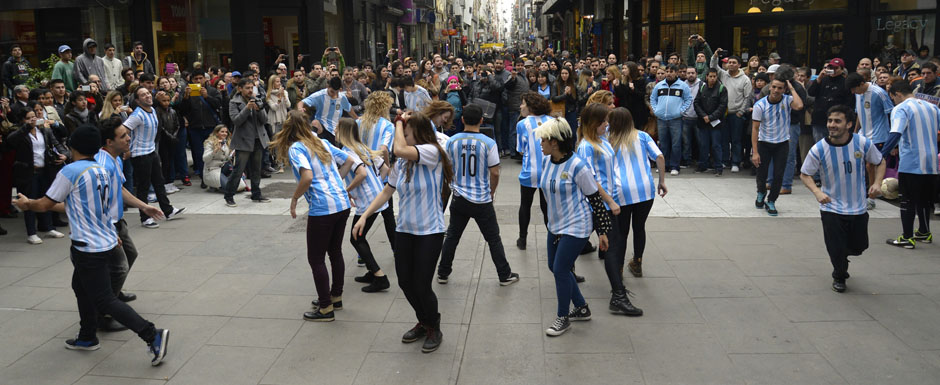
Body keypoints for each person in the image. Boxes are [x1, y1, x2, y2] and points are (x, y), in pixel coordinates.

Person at [11, 124, 168, 366]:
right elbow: (76, 206)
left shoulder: (70, 171)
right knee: (80, 287)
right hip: (104, 241)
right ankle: (87, 336)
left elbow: (44, 204)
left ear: (72, 146)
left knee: (105, 299)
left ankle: (151, 334)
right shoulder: (100, 170)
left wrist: (27, 203)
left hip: (88, 247)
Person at [352, 111, 453, 353]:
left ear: (416, 134)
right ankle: (423, 320)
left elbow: (398, 149)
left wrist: (398, 122)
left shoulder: (432, 153)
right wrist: (364, 216)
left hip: (430, 231)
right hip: (405, 231)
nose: (402, 138)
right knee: (406, 283)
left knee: (421, 284)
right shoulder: (403, 163)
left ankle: (433, 327)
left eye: (406, 134)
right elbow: (387, 191)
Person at [271, 110, 354, 321]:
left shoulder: (297, 148)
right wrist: (336, 183)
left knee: (316, 258)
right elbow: (349, 160)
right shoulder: (320, 142)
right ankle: (336, 296)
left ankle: (325, 308)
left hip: (322, 207)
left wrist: (295, 198)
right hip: (341, 203)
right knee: (335, 251)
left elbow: (306, 177)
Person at [535, 117, 613, 336]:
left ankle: (563, 317)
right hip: (556, 225)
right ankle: (581, 307)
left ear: (556, 142)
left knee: (560, 268)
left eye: (544, 140)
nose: (541, 143)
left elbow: (595, 199)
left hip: (577, 225)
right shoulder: (547, 161)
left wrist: (602, 232)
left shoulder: (578, 166)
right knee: (553, 266)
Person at [800, 105, 884, 293]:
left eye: (837, 121)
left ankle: (843, 255)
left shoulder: (862, 143)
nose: (832, 125)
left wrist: (877, 183)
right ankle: (839, 275)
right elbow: (805, 174)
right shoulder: (819, 148)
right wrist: (817, 192)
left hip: (858, 207)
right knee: (836, 247)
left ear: (849, 124)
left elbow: (879, 161)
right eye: (830, 121)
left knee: (859, 246)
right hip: (832, 208)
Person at [437, 104, 520, 285]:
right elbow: (495, 172)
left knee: (452, 235)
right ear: (482, 120)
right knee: (493, 238)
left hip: (459, 197)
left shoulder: (452, 141)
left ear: (463, 120)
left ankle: (443, 271)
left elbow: (446, 166)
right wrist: (492, 190)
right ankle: (504, 274)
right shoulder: (488, 143)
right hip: (481, 199)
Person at [94, 117, 163, 327]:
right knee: (119, 267)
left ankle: (113, 294)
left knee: (130, 255)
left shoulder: (115, 158)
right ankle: (104, 313)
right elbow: (99, 203)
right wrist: (109, 231)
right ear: (108, 141)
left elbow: (121, 189)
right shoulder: (102, 165)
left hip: (118, 220)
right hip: (108, 224)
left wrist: (144, 206)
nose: (128, 138)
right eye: (123, 136)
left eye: (127, 134)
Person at [334, 118, 391, 293]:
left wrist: (347, 190)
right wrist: (377, 185)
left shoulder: (348, 152)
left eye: (336, 129)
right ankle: (372, 271)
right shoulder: (363, 148)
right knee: (360, 236)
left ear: (342, 132)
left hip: (367, 202)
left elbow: (362, 174)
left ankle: (380, 276)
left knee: (356, 238)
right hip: (377, 197)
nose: (334, 131)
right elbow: (386, 170)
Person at [880, 80, 939, 249]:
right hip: (932, 162)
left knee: (907, 199)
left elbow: (895, 132)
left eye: (893, 98)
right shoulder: (932, 107)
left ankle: (907, 237)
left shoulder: (901, 108)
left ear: (898, 94)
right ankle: (924, 232)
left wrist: (881, 155)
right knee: (924, 199)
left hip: (912, 161)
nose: (893, 102)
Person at [123, 87, 186, 228]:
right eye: (143, 95)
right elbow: (124, 131)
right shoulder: (137, 115)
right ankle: (145, 218)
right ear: (138, 100)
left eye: (148, 93)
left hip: (151, 152)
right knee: (143, 187)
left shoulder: (152, 111)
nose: (147, 96)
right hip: (140, 154)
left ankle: (168, 211)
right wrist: (126, 149)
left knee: (159, 182)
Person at [7, 105, 69, 244]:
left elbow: (56, 144)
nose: (32, 120)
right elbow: (11, 141)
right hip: (28, 172)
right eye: (28, 118)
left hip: (45, 170)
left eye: (33, 117)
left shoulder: (43, 130)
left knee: (46, 199)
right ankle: (31, 232)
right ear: (23, 120)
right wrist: (27, 127)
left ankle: (48, 227)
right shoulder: (20, 132)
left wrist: (64, 155)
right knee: (28, 201)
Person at [751, 78, 804, 216]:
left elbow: (799, 106)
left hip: (782, 143)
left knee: (779, 174)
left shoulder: (787, 100)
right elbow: (755, 129)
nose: (776, 90)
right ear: (770, 87)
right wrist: (755, 152)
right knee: (762, 173)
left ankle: (771, 200)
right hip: (764, 143)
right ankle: (761, 192)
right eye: (774, 87)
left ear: (784, 89)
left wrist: (792, 88)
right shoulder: (760, 105)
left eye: (780, 88)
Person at [357, 91, 398, 251]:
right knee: (387, 212)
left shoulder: (358, 121)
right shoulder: (387, 125)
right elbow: (384, 149)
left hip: (363, 170)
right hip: (379, 172)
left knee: (368, 210)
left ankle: (361, 248)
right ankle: (395, 249)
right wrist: (387, 169)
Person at [847, 72, 894, 210]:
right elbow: (859, 114)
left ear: (862, 84)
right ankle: (864, 192)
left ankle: (872, 197)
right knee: (860, 164)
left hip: (879, 135)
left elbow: (891, 113)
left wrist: (893, 140)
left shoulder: (878, 93)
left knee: (871, 165)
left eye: (854, 88)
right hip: (863, 135)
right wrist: (855, 131)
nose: (853, 91)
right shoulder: (857, 93)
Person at [515, 92, 552, 250]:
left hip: (530, 171)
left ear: (530, 106)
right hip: (549, 171)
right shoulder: (552, 121)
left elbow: (520, 150)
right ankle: (553, 237)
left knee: (525, 205)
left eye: (523, 103)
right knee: (547, 208)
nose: (521, 107)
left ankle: (522, 239)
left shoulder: (522, 124)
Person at [225, 78, 270, 207]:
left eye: (252, 88)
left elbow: (265, 120)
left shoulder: (257, 99)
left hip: (258, 139)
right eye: (247, 88)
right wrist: (247, 109)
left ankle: (256, 194)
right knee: (238, 170)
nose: (250, 90)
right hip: (243, 141)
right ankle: (229, 195)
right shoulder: (234, 102)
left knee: (256, 169)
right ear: (240, 89)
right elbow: (236, 121)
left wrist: (258, 109)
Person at [710, 52, 753, 172]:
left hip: (737, 113)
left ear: (739, 65)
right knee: (724, 139)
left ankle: (735, 162)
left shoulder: (745, 79)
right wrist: (715, 56)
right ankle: (725, 161)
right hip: (723, 113)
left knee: (736, 140)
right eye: (729, 62)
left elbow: (747, 97)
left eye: (734, 63)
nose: (731, 64)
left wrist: (741, 111)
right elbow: (714, 66)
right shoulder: (724, 75)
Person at [651, 64, 693, 175]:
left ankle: (675, 166)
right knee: (663, 143)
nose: (669, 73)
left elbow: (688, 99)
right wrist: (656, 110)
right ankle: (664, 165)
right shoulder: (659, 85)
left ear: (676, 73)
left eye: (671, 71)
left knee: (676, 143)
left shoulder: (682, 86)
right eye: (667, 71)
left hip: (676, 119)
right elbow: (653, 98)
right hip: (661, 119)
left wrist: (681, 111)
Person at [808, 59, 854, 143]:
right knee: (820, 146)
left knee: (836, 144)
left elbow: (849, 103)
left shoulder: (845, 82)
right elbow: (811, 92)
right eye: (831, 68)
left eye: (836, 68)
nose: (833, 70)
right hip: (819, 119)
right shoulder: (823, 79)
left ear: (842, 69)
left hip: (836, 121)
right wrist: (819, 78)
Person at [301, 76, 355, 145]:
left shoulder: (342, 97)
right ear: (328, 86)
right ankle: (310, 144)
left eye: (336, 92)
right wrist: (300, 108)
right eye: (332, 92)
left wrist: (357, 118)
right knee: (315, 122)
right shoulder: (320, 95)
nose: (334, 95)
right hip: (322, 127)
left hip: (335, 129)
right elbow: (302, 102)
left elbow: (349, 109)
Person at [694, 68, 728, 175]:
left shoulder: (722, 89)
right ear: (707, 77)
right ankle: (702, 165)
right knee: (703, 144)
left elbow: (722, 106)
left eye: (714, 76)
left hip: (716, 123)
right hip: (703, 122)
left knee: (716, 145)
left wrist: (711, 117)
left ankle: (718, 167)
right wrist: (704, 116)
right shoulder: (702, 87)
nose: (712, 78)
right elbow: (696, 103)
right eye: (710, 76)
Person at [201, 124, 246, 192]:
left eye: (226, 132)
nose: (224, 134)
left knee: (241, 187)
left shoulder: (227, 142)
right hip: (213, 169)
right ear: (216, 133)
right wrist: (215, 151)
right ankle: (216, 185)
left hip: (224, 168)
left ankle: (219, 185)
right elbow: (205, 159)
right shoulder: (209, 143)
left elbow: (226, 159)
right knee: (230, 189)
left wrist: (232, 155)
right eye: (222, 132)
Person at [266, 74, 290, 172]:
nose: (279, 83)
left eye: (279, 81)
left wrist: (284, 96)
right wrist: (279, 99)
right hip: (275, 121)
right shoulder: (269, 95)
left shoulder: (285, 92)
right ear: (272, 83)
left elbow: (288, 105)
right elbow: (274, 108)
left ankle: (285, 161)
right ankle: (280, 165)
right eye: (276, 81)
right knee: (277, 143)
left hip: (284, 119)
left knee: (285, 142)